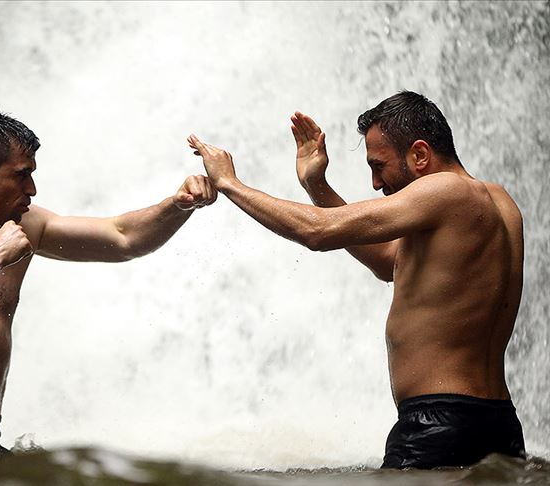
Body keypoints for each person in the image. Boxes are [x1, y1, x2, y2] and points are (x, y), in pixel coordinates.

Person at [187, 91, 526, 469]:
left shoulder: (445, 191)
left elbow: (317, 233)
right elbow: (388, 263)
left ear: (419, 154)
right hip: (499, 424)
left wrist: (231, 184)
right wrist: (317, 186)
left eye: (379, 165)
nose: (377, 183)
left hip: (438, 424)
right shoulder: (499, 203)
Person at [0, 112, 217, 467]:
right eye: (21, 176)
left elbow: (122, 238)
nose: (31, 190)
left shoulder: (24, 226)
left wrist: (178, 205)